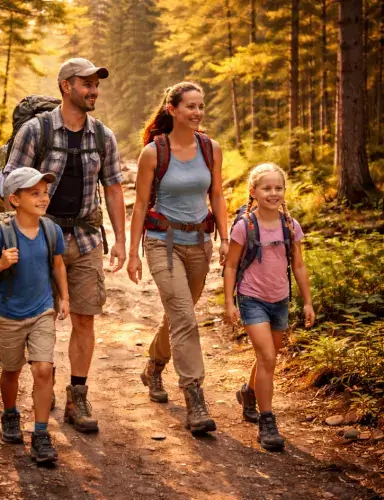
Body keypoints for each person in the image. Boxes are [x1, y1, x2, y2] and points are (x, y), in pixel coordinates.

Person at [2, 58, 126, 433]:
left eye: (96, 84)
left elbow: (115, 187)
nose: (93, 91)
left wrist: (121, 240)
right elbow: (8, 182)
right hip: (40, 239)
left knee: (85, 317)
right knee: (41, 316)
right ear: (65, 87)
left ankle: (78, 395)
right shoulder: (36, 131)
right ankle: (45, 381)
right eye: (85, 84)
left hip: (87, 237)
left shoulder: (103, 136)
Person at [127, 82, 229, 435]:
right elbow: (140, 204)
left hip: (200, 242)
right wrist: (132, 253)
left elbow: (217, 195)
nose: (197, 113)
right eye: (190, 106)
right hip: (162, 242)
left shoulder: (211, 149)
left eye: (201, 106)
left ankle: (154, 366)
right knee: (185, 316)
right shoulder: (154, 153)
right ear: (172, 109)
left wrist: (226, 239)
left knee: (178, 315)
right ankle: (194, 396)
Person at [0, 167, 69, 463]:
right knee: (11, 371)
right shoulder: (1, 235)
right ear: (15, 199)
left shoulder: (51, 230)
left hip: (42, 310)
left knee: (43, 369)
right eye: (34, 193)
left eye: (45, 192)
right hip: (10, 313)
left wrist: (64, 297)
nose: (43, 198)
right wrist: (0, 263)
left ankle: (41, 433)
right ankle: (10, 414)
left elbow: (58, 265)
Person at [223, 162, 315, 451]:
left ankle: (249, 393)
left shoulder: (290, 225)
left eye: (278, 188)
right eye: (266, 188)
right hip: (252, 298)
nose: (273, 193)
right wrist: (229, 302)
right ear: (254, 192)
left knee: (268, 356)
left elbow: (298, 265)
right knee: (268, 357)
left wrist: (308, 302)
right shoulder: (245, 226)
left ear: (284, 192)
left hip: (280, 300)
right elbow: (231, 266)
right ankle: (267, 422)